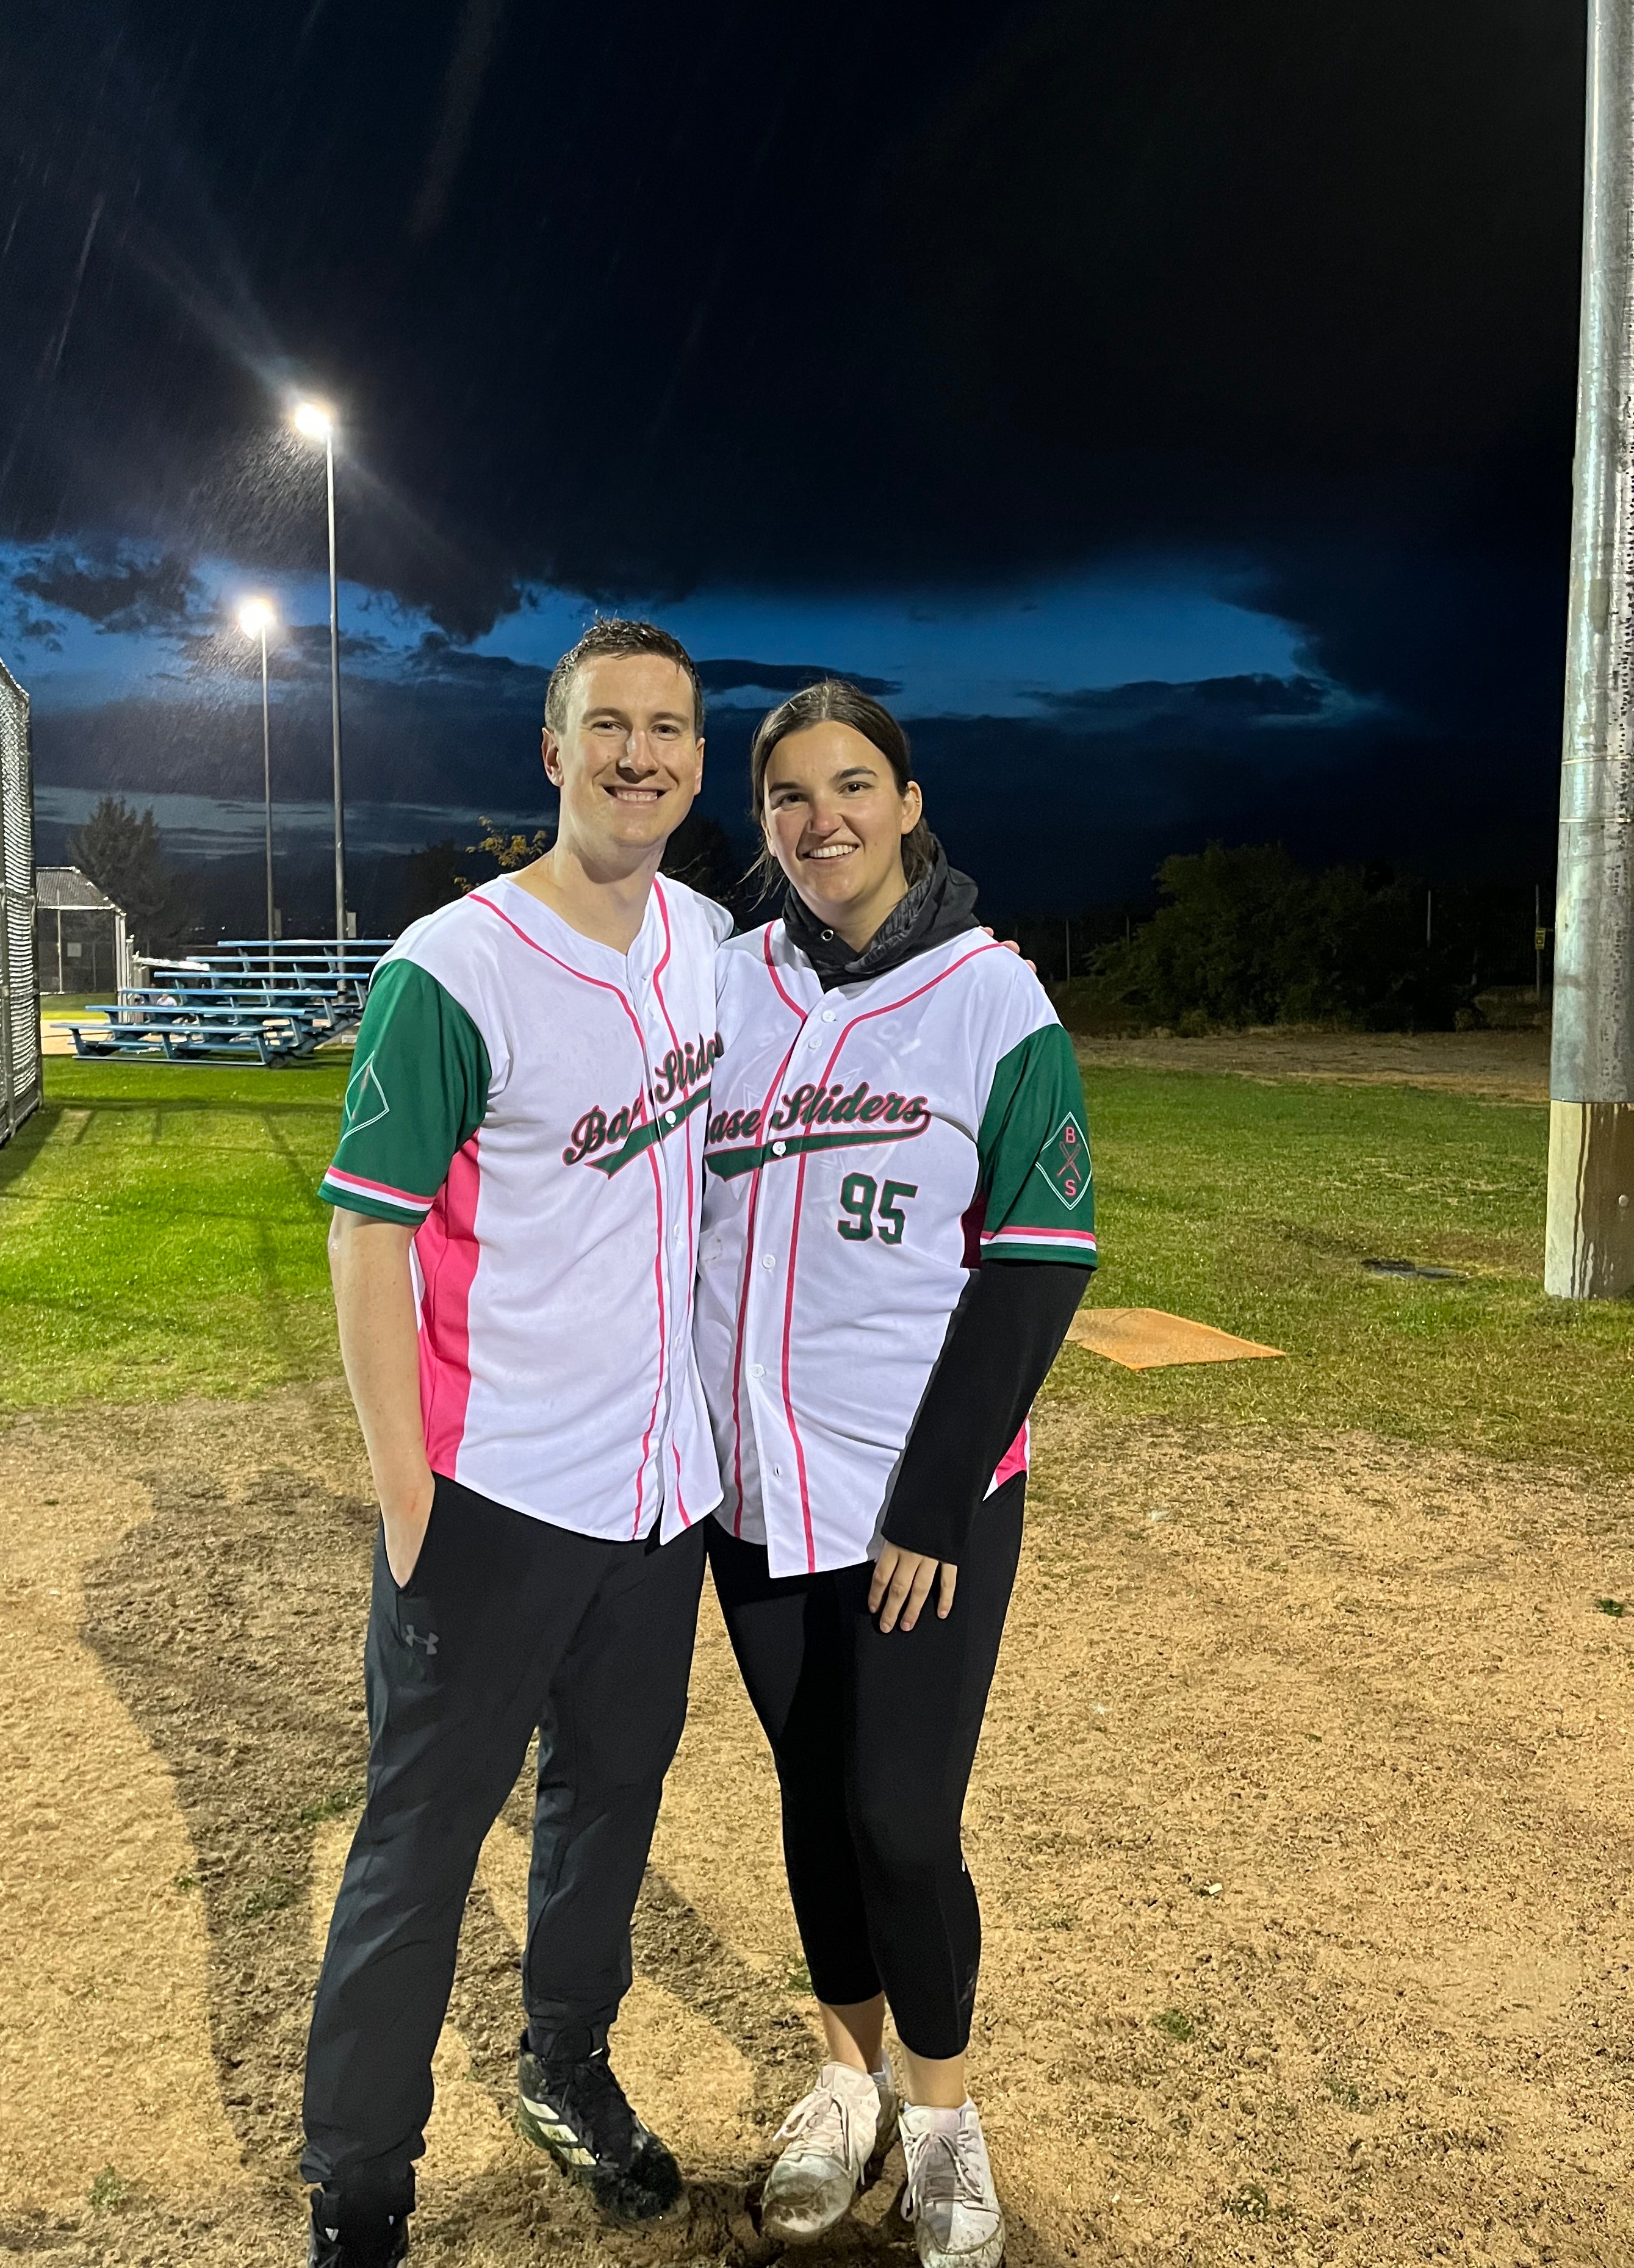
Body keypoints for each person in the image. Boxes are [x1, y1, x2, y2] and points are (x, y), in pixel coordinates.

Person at [301, 620, 730, 2267]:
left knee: (609, 1805)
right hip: (489, 1498)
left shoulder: (708, 944)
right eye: (607, 727)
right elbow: (366, 1239)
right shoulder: (454, 965)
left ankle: (565, 2070)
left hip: (657, 1497)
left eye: (671, 730)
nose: (641, 754)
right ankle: (361, 2186)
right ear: (550, 756)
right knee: (419, 1845)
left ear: (697, 763)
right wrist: (407, 1496)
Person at [694, 682, 1095, 2268]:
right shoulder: (723, 986)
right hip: (752, 1488)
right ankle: (846, 2079)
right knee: (810, 1805)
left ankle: (941, 2117)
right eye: (790, 796)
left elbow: (1043, 1257)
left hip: (919, 1495)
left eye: (853, 786)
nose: (822, 820)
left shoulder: (995, 1000)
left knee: (902, 1821)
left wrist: (936, 1492)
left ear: (911, 802)